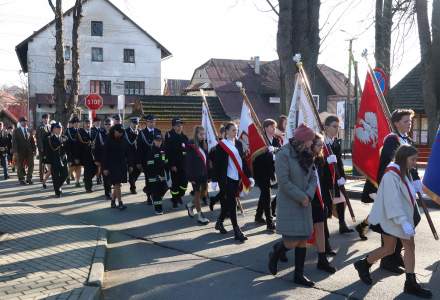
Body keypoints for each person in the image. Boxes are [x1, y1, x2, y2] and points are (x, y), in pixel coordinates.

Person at [354, 145, 431, 298]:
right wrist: (404, 222)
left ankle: (364, 264)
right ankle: (410, 283)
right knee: (402, 247)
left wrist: (416, 187)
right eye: (413, 160)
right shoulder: (391, 174)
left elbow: (404, 196)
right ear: (403, 159)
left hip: (397, 217)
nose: (415, 163)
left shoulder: (404, 171)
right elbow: (392, 202)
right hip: (392, 217)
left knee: (391, 248)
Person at [357, 109, 420, 274]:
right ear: (396, 123)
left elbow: (410, 163)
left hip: (405, 188)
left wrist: (417, 180)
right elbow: (385, 165)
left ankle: (393, 256)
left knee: (408, 222)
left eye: (410, 121)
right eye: (406, 121)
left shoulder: (407, 140)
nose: (409, 124)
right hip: (394, 188)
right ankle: (388, 259)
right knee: (392, 225)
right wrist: (381, 189)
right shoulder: (392, 140)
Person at [267, 124, 317, 287]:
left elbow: (313, 178)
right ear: (303, 140)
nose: (312, 143)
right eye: (310, 140)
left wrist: (308, 195)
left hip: (305, 202)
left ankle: (299, 275)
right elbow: (283, 181)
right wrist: (301, 196)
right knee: (291, 241)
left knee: (303, 240)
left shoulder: (308, 153)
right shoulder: (284, 154)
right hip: (291, 202)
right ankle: (276, 253)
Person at [214, 122, 252, 242]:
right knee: (232, 203)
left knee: (227, 203)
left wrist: (249, 176)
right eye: (233, 130)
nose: (236, 132)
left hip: (237, 178)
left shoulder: (239, 143)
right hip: (226, 179)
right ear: (226, 132)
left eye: (236, 130)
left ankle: (219, 222)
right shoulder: (221, 145)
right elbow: (218, 165)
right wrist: (215, 180)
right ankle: (237, 231)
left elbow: (243, 161)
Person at [310, 133, 336, 273]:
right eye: (319, 145)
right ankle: (280, 249)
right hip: (308, 199)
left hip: (319, 199)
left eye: (322, 144)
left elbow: (324, 180)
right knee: (301, 233)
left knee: (320, 228)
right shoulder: (305, 159)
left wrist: (327, 200)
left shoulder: (320, 159)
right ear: (311, 145)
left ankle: (322, 259)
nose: (322, 147)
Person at [322, 115, 353, 234]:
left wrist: (343, 177)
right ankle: (323, 230)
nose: (337, 129)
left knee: (340, 200)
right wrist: (325, 161)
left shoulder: (335, 142)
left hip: (336, 176)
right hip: (324, 178)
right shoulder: (322, 141)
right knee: (326, 204)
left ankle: (342, 224)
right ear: (326, 127)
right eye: (334, 126)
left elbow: (339, 161)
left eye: (338, 127)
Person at [253, 119, 281, 232]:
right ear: (265, 128)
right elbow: (256, 157)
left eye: (275, 127)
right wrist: (268, 154)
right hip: (260, 172)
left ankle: (258, 215)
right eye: (272, 127)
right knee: (266, 195)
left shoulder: (275, 139)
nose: (274, 129)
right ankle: (269, 223)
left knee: (264, 194)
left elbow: (280, 150)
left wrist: (274, 150)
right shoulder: (260, 139)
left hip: (271, 172)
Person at [185, 126, 210, 225]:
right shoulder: (190, 145)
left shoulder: (204, 144)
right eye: (201, 134)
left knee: (204, 193)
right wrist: (190, 178)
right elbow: (188, 163)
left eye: (204, 134)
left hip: (203, 174)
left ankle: (190, 205)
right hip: (195, 175)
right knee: (197, 193)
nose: (203, 136)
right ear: (196, 134)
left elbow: (206, 161)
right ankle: (200, 216)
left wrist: (209, 174)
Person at [164, 117, 189, 208]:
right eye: (178, 126)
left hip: (184, 165)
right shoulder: (169, 136)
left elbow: (187, 151)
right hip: (174, 165)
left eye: (181, 125)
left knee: (184, 184)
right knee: (175, 184)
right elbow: (168, 152)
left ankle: (179, 195)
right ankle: (175, 199)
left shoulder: (184, 137)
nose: (180, 127)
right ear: (173, 126)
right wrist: (171, 165)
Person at [103, 124, 128, 210]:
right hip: (112, 165)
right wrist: (105, 168)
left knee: (118, 184)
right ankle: (120, 203)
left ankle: (113, 201)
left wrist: (130, 164)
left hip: (122, 165)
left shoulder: (123, 139)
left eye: (122, 132)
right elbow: (105, 155)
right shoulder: (108, 140)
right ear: (115, 131)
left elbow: (127, 152)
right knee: (117, 183)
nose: (120, 134)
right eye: (119, 132)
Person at [138, 114, 162, 204]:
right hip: (146, 161)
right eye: (151, 122)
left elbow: (161, 146)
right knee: (148, 179)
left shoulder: (158, 131)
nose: (153, 123)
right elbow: (139, 149)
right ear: (147, 122)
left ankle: (155, 195)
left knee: (157, 179)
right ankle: (149, 196)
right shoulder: (142, 133)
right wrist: (139, 162)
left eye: (154, 122)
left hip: (157, 160)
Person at [144, 134, 169, 214]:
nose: (159, 142)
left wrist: (167, 164)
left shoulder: (162, 150)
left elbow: (164, 160)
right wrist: (156, 175)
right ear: (154, 141)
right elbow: (150, 165)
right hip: (153, 175)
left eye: (160, 141)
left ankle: (151, 193)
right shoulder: (151, 150)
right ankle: (158, 209)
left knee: (165, 188)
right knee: (157, 192)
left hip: (162, 174)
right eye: (157, 141)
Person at [45, 122, 68, 197]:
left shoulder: (64, 137)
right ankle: (57, 192)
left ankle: (58, 186)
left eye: (61, 128)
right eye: (58, 128)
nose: (60, 129)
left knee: (65, 174)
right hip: (54, 160)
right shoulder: (50, 138)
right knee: (55, 176)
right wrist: (48, 162)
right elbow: (51, 148)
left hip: (63, 159)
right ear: (54, 129)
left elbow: (67, 148)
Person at [12, 117, 36, 185]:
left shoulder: (29, 130)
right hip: (20, 151)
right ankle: (21, 179)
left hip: (29, 150)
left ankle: (29, 178)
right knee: (20, 165)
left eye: (26, 121)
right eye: (23, 121)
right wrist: (15, 151)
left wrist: (34, 149)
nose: (25, 122)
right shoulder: (16, 131)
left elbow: (32, 141)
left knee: (31, 164)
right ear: (20, 122)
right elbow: (14, 142)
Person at [208, 125, 225, 211]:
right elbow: (213, 163)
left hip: (231, 173)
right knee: (224, 191)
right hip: (221, 173)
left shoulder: (233, 143)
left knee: (228, 192)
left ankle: (214, 200)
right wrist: (213, 178)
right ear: (221, 134)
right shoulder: (216, 147)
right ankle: (225, 210)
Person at [94, 118, 112, 199]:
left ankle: (110, 191)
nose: (108, 126)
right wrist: (97, 159)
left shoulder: (114, 133)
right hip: (103, 158)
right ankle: (108, 193)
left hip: (113, 159)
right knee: (105, 176)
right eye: (106, 124)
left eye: (109, 124)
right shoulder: (100, 133)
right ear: (104, 125)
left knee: (112, 176)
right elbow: (96, 147)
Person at [78, 119, 96, 193]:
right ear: (83, 124)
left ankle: (86, 179)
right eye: (86, 123)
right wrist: (77, 157)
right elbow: (78, 145)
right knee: (87, 172)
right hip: (85, 155)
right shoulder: (80, 133)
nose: (88, 125)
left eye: (89, 124)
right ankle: (88, 188)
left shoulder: (93, 132)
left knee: (95, 169)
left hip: (93, 155)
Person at [125, 117, 141, 194]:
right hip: (129, 156)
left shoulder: (139, 132)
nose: (135, 125)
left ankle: (132, 181)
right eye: (134, 123)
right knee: (131, 172)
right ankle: (133, 188)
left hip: (138, 156)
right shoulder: (126, 132)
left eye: (136, 124)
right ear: (130, 123)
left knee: (138, 171)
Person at [66, 116, 82, 187]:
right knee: (73, 166)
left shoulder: (80, 130)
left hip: (79, 152)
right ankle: (68, 176)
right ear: (72, 123)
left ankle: (77, 182)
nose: (76, 124)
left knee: (79, 167)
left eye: (78, 122)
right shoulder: (69, 130)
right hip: (71, 152)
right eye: (75, 122)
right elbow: (66, 142)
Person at [36, 113, 51, 186]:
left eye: (47, 118)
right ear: (42, 119)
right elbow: (39, 139)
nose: (46, 119)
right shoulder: (40, 127)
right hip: (42, 148)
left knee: (49, 162)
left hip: (49, 148)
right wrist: (41, 148)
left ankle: (48, 175)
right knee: (42, 163)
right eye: (45, 118)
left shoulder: (50, 126)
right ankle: (41, 177)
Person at [91, 117, 102, 185]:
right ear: (94, 123)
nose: (98, 122)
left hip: (101, 150)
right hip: (94, 150)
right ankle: (97, 177)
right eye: (96, 121)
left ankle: (99, 177)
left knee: (101, 165)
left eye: (99, 121)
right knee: (97, 165)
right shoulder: (92, 130)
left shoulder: (102, 129)